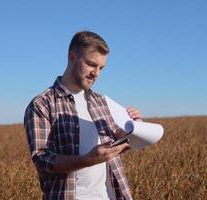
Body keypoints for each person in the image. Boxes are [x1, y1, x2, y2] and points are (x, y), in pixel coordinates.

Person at [24, 31, 142, 200]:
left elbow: (117, 141)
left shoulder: (103, 102)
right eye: (91, 64)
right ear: (71, 57)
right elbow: (42, 160)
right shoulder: (42, 104)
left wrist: (135, 130)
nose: (97, 73)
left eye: (101, 68)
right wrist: (87, 160)